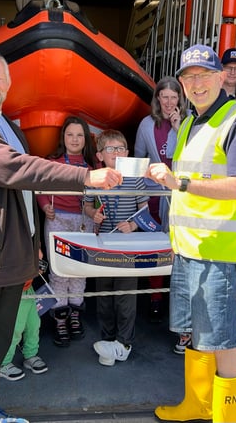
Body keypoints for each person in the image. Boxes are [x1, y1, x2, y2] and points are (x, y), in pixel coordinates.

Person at [0, 51, 122, 423]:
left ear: (9, 84)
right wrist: (84, 177)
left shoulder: (8, 126)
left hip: (11, 255)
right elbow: (13, 168)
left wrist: (32, 245)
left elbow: (23, 190)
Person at [147, 44, 236, 422]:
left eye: (203, 75)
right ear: (181, 84)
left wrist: (179, 183)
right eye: (188, 77)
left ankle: (227, 417)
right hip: (189, 249)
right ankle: (196, 404)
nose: (195, 84)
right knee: (198, 335)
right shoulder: (189, 123)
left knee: (224, 342)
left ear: (219, 77)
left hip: (220, 252)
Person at [84, 129, 149, 367]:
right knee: (103, 295)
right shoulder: (93, 177)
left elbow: (145, 210)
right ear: (100, 155)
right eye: (110, 149)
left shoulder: (137, 178)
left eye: (121, 148)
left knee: (125, 297)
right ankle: (107, 339)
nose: (116, 153)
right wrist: (94, 215)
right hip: (102, 245)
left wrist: (132, 224)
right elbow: (87, 206)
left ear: (128, 153)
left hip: (127, 248)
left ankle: (124, 342)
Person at [37, 116, 96, 347]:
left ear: (86, 139)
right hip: (58, 220)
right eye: (70, 134)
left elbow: (98, 198)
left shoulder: (93, 168)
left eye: (79, 135)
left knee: (79, 271)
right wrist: (44, 206)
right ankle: (60, 319)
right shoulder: (51, 162)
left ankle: (75, 316)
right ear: (63, 137)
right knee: (59, 273)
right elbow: (39, 187)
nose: (74, 139)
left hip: (83, 222)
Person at [134, 76, 184, 328]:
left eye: (173, 97)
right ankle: (154, 296)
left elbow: (190, 159)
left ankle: (175, 298)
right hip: (154, 193)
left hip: (181, 194)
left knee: (177, 247)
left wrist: (178, 128)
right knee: (157, 244)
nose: (168, 102)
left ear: (180, 99)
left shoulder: (188, 123)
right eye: (164, 96)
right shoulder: (145, 125)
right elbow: (139, 159)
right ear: (157, 99)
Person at [0, 260, 48, 381]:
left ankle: (30, 355)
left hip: (28, 287)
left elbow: (38, 253)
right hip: (12, 290)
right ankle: (2, 363)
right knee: (15, 328)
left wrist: (38, 263)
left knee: (34, 324)